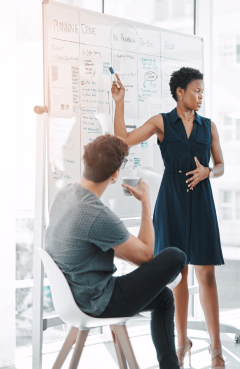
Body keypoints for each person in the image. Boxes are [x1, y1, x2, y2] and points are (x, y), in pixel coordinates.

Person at [112, 67, 227, 368]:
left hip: (201, 201)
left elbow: (221, 165)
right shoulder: (161, 123)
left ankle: (216, 349)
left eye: (203, 91)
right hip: (172, 200)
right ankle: (182, 343)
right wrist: (119, 102)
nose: (201, 95)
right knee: (179, 276)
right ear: (180, 92)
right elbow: (123, 140)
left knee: (207, 275)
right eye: (196, 90)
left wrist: (208, 172)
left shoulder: (209, 126)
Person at [45, 134, 186, 369]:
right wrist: (145, 202)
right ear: (114, 175)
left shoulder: (65, 194)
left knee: (163, 297)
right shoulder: (96, 213)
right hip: (96, 302)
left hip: (72, 296)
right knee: (176, 256)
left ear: (86, 162)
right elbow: (146, 255)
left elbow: (90, 247)